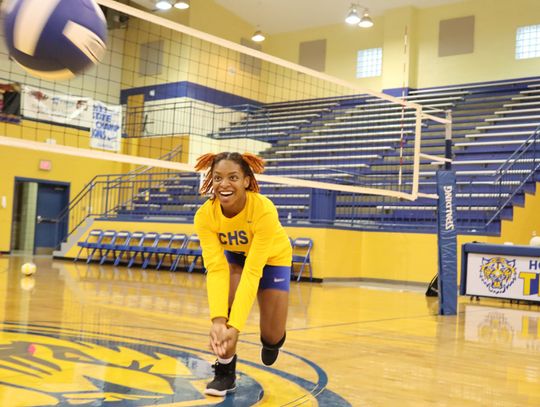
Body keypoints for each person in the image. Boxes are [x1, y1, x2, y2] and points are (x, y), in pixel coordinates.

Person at [194, 152, 292, 397]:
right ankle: (225, 374)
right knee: (225, 316)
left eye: (233, 177)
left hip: (272, 260)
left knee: (272, 336)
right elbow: (216, 269)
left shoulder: (263, 209)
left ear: (247, 181)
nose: (224, 184)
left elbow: (253, 272)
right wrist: (219, 321)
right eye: (217, 178)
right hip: (236, 258)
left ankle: (271, 340)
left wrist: (236, 327)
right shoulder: (205, 216)